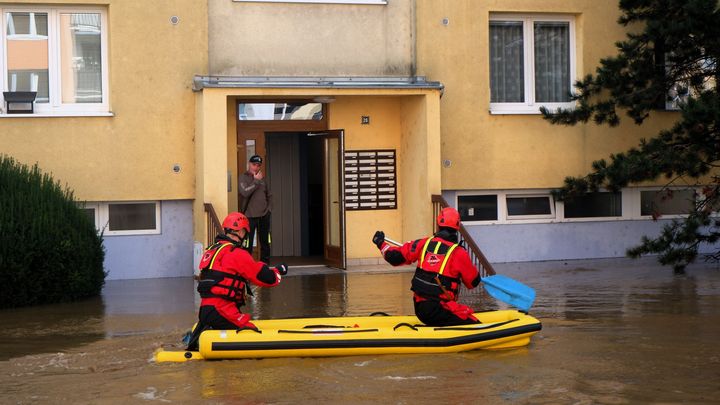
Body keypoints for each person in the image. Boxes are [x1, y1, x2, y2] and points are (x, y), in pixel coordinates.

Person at [186, 212, 288, 350]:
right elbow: (263, 277)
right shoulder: (236, 253)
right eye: (245, 232)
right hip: (222, 310)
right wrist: (278, 272)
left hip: (205, 310)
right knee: (251, 332)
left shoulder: (212, 251)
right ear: (240, 231)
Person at [372, 207, 481, 326]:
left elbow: (394, 257)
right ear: (457, 227)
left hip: (419, 307)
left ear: (438, 224)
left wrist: (381, 243)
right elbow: (473, 283)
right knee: (475, 323)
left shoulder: (423, 243)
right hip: (439, 309)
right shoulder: (459, 253)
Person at [239, 155, 272, 264]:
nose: (256, 167)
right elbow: (245, 192)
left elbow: (269, 195)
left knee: (265, 242)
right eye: (254, 165)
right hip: (249, 216)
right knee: (247, 243)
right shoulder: (243, 178)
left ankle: (265, 264)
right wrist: (256, 181)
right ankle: (247, 264)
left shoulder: (264, 180)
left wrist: (269, 210)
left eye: (258, 165)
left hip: (264, 215)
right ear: (249, 164)